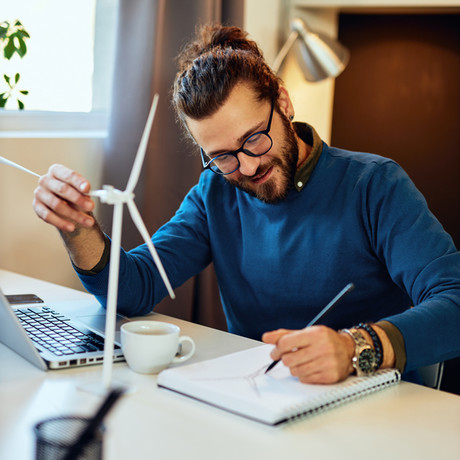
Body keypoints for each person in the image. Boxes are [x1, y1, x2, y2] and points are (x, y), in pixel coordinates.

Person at [33, 24, 460, 385]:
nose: (249, 165)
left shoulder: (374, 184)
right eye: (222, 156)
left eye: (254, 137)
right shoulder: (214, 193)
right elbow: (133, 290)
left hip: (376, 399)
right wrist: (77, 229)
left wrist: (355, 347)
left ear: (284, 102)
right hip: (262, 398)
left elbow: (454, 299)